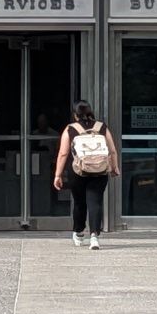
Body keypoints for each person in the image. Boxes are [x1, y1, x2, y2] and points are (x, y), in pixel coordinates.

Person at [54, 100, 114, 246]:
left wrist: (58, 175)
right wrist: (115, 167)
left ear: (75, 114)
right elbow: (112, 150)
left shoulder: (70, 129)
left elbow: (63, 153)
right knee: (95, 202)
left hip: (78, 172)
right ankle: (94, 236)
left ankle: (79, 232)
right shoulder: (102, 127)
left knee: (80, 202)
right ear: (90, 112)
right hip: (100, 171)